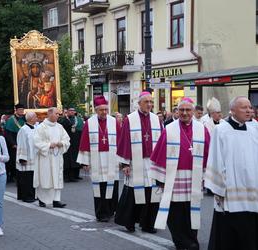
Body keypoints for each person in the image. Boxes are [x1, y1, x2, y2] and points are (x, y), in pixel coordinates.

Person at [150, 97, 210, 250]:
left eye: (188, 110)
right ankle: (181, 241)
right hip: (174, 179)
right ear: (177, 111)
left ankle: (191, 240)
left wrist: (207, 177)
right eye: (181, 110)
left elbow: (210, 154)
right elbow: (159, 154)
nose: (184, 113)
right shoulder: (169, 129)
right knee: (175, 213)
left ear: (193, 112)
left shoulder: (202, 129)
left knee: (192, 210)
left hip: (194, 178)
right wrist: (160, 180)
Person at [204, 96, 258, 250]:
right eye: (244, 107)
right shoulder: (221, 130)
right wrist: (218, 188)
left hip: (253, 189)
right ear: (233, 111)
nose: (249, 110)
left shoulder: (255, 128)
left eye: (250, 107)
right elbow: (215, 158)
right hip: (231, 191)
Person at [116, 91, 162, 233]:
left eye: (151, 102)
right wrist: (125, 164)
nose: (149, 104)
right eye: (146, 102)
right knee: (133, 193)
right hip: (136, 162)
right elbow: (124, 141)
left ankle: (148, 223)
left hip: (152, 162)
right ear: (139, 103)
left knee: (151, 194)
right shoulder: (130, 119)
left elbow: (161, 142)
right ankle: (129, 221)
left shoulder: (156, 119)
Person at [77, 96, 120, 222]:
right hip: (97, 160)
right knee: (100, 187)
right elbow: (84, 142)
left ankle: (112, 210)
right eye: (101, 110)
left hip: (112, 158)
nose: (104, 112)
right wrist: (85, 161)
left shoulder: (113, 121)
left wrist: (123, 160)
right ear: (96, 110)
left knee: (113, 185)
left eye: (106, 110)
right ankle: (101, 213)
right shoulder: (89, 123)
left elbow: (121, 141)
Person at [33, 107, 70, 208]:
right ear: (49, 114)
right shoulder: (41, 127)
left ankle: (56, 200)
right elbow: (36, 142)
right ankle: (42, 199)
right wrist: (48, 145)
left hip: (57, 157)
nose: (58, 115)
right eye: (56, 114)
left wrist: (61, 143)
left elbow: (66, 139)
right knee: (45, 178)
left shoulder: (60, 127)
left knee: (57, 178)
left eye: (59, 114)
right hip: (45, 157)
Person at [16, 111, 38, 202]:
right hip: (27, 158)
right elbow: (21, 144)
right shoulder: (23, 129)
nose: (37, 118)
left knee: (32, 178)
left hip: (35, 157)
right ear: (31, 118)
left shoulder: (35, 128)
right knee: (26, 178)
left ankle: (32, 195)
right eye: (35, 117)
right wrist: (22, 158)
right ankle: (26, 196)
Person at [59, 107, 84, 182]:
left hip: (75, 142)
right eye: (70, 111)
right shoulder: (63, 119)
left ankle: (75, 175)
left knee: (75, 160)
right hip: (66, 142)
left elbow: (81, 129)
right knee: (67, 161)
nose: (71, 112)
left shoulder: (78, 119)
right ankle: (66, 177)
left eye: (73, 111)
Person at [5, 104, 26, 182]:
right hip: (14, 143)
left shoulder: (25, 119)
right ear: (16, 110)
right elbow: (8, 134)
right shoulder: (11, 120)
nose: (21, 111)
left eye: (22, 110)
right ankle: (14, 176)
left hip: (24, 143)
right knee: (14, 160)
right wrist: (13, 144)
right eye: (20, 110)